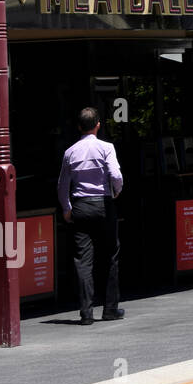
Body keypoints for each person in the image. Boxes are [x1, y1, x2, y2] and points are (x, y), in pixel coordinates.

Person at [57, 106, 124, 324]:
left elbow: (62, 185)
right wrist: (116, 190)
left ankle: (86, 313)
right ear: (98, 125)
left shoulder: (70, 152)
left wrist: (67, 208)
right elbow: (115, 174)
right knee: (110, 255)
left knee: (83, 260)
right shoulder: (107, 147)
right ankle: (110, 309)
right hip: (104, 204)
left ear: (79, 127)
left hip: (81, 206)